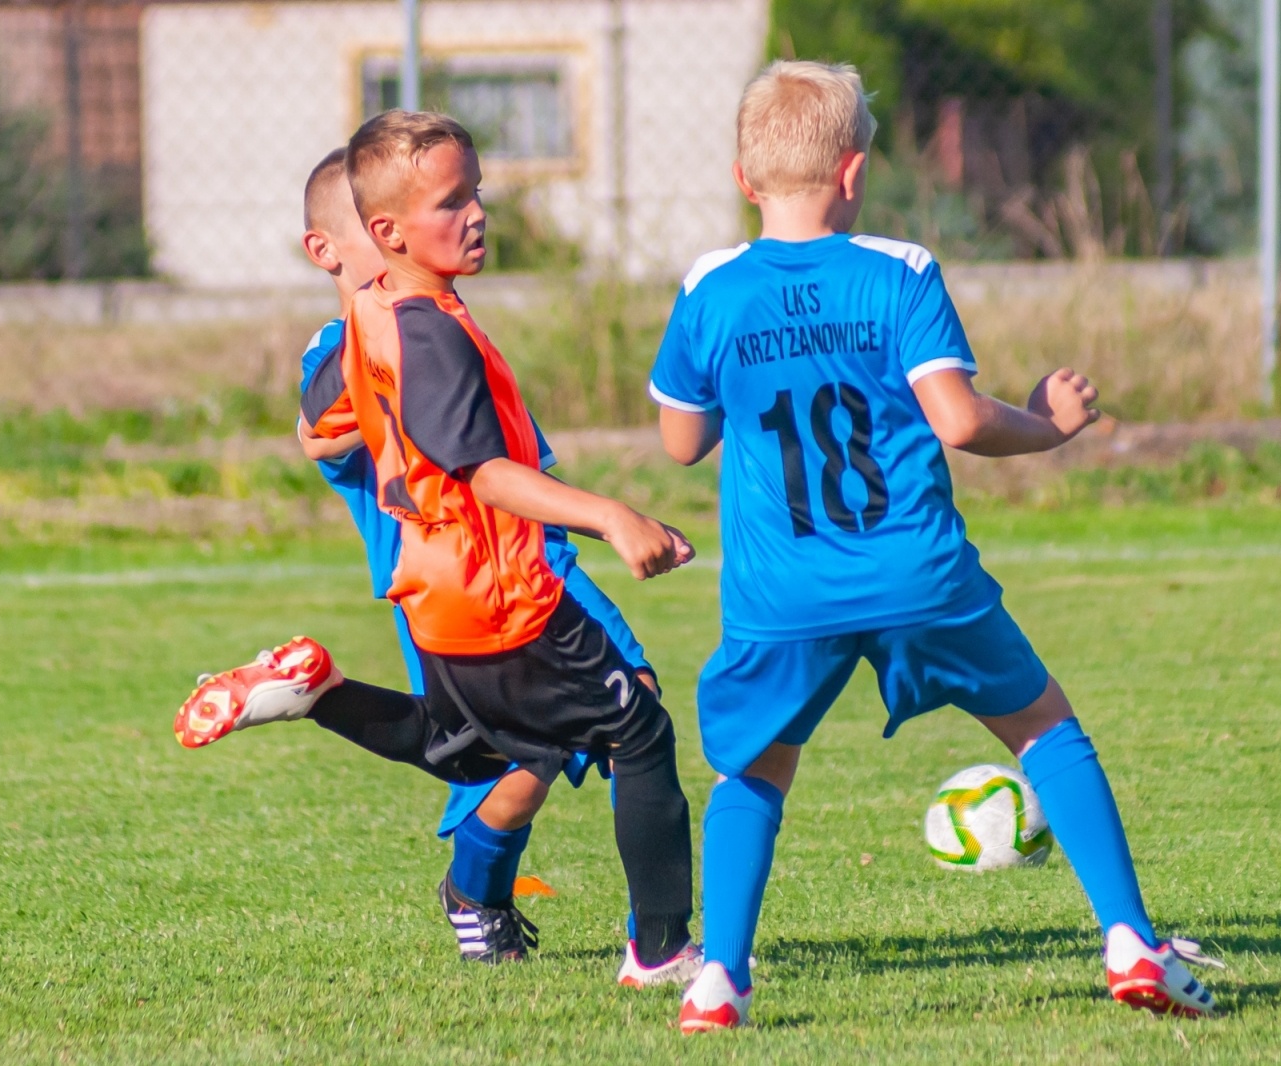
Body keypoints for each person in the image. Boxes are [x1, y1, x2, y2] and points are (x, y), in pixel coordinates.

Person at [649, 60, 1223, 1033]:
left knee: (753, 771)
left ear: (745, 181)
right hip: (915, 571)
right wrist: (1047, 424)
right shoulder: (899, 270)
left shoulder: (710, 287)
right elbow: (956, 420)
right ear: (854, 171)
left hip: (782, 592)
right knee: (1045, 732)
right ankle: (1129, 939)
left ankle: (718, 979)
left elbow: (679, 441)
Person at [175, 111, 699, 986]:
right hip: (502, 577)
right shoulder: (408, 328)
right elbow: (463, 464)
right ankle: (652, 945)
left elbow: (338, 433)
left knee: (482, 747)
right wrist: (610, 515)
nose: (478, 214)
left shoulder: (382, 322)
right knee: (633, 722)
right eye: (452, 201)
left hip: (442, 588)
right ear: (357, 241)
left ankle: (324, 698)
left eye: (475, 195)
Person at [291, 148, 669, 981]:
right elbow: (319, 427)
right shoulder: (369, 328)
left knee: (523, 753)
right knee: (563, 741)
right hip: (469, 578)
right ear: (339, 247)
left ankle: (498, 900)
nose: (466, 215)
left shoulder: (431, 314)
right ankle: (645, 939)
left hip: (517, 559)